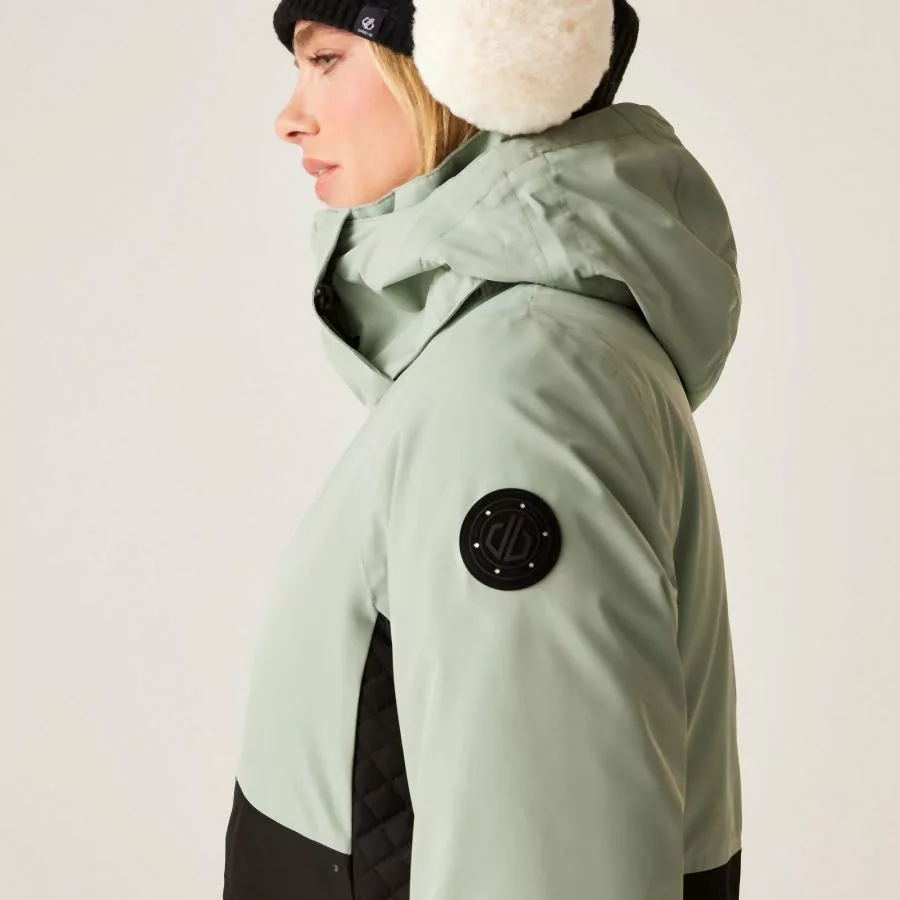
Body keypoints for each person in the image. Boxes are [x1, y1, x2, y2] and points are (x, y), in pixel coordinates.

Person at [223, 1, 743, 898]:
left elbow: (549, 864)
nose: (290, 117)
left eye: (328, 60)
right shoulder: (518, 350)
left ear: (460, 69)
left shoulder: (522, 383)